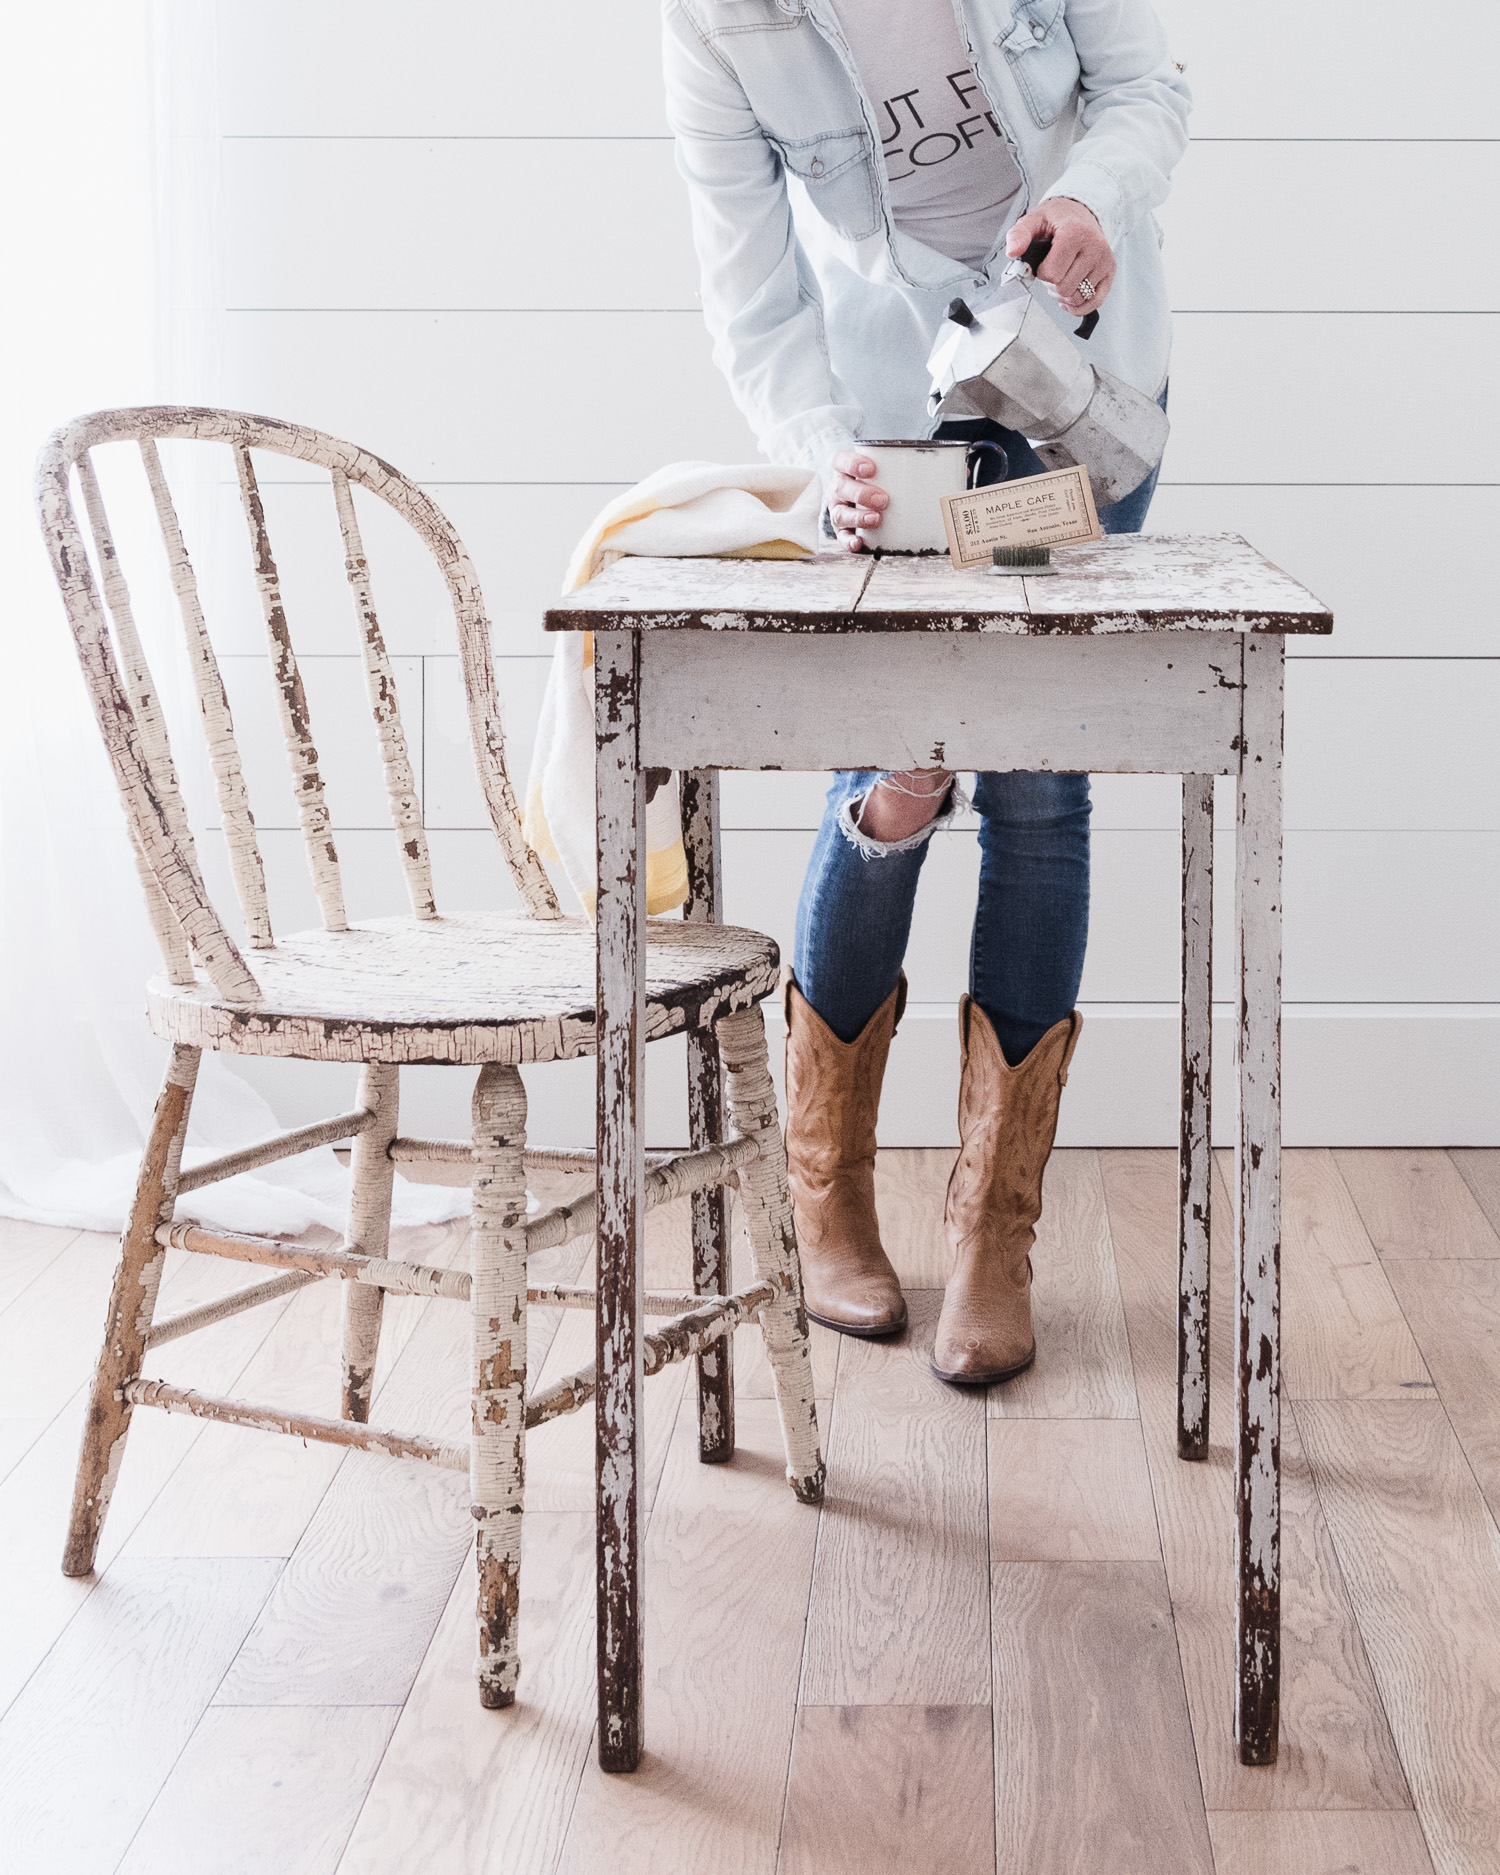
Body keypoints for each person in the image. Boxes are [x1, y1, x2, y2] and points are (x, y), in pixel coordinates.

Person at [663, 0, 1190, 1383]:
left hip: (1079, 390)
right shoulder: (716, 23)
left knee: (1038, 788)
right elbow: (753, 293)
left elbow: (1146, 86)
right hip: (893, 416)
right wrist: (816, 452)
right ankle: (826, 1193)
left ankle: (992, 1237)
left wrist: (1087, 193)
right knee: (890, 774)